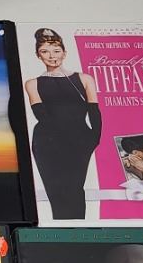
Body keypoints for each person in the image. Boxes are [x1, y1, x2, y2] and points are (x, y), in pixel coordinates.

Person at [24, 27, 101, 219]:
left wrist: (94, 139)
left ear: (64, 53)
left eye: (56, 51)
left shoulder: (84, 79)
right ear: (38, 55)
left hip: (80, 140)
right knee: (56, 191)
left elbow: (94, 112)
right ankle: (61, 229)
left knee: (75, 188)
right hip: (47, 142)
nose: (52, 56)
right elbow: (42, 115)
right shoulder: (32, 83)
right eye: (45, 51)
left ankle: (80, 229)